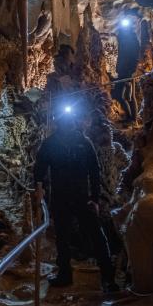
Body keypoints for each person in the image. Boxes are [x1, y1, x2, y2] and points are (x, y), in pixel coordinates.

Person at [33, 101, 118, 294]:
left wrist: (94, 199)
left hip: (72, 197)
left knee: (79, 237)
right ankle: (101, 277)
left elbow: (39, 171)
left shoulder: (59, 143)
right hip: (73, 197)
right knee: (77, 237)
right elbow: (95, 173)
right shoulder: (73, 142)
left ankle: (78, 275)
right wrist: (94, 198)